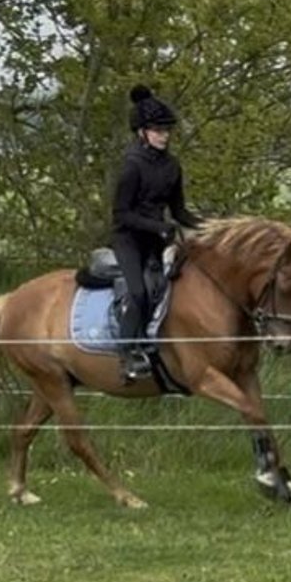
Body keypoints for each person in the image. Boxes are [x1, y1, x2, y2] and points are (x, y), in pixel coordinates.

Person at [110, 84, 203, 381]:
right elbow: (121, 214)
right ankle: (125, 355)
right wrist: (160, 227)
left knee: (167, 291)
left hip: (156, 241)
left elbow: (179, 212)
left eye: (166, 130)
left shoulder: (173, 166)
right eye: (157, 130)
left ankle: (153, 345)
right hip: (129, 240)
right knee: (138, 292)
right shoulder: (131, 167)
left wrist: (212, 227)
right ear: (142, 132)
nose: (164, 135)